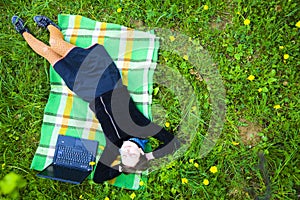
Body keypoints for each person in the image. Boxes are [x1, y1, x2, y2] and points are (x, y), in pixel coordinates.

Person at [12, 15, 181, 183]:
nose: (127, 151)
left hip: (85, 90)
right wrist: (149, 158)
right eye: (133, 155)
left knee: (49, 53)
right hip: (105, 78)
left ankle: (24, 32)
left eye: (125, 156)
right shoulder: (142, 128)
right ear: (141, 152)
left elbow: (99, 178)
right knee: (56, 45)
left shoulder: (114, 147)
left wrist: (123, 168)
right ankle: (50, 26)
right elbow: (173, 144)